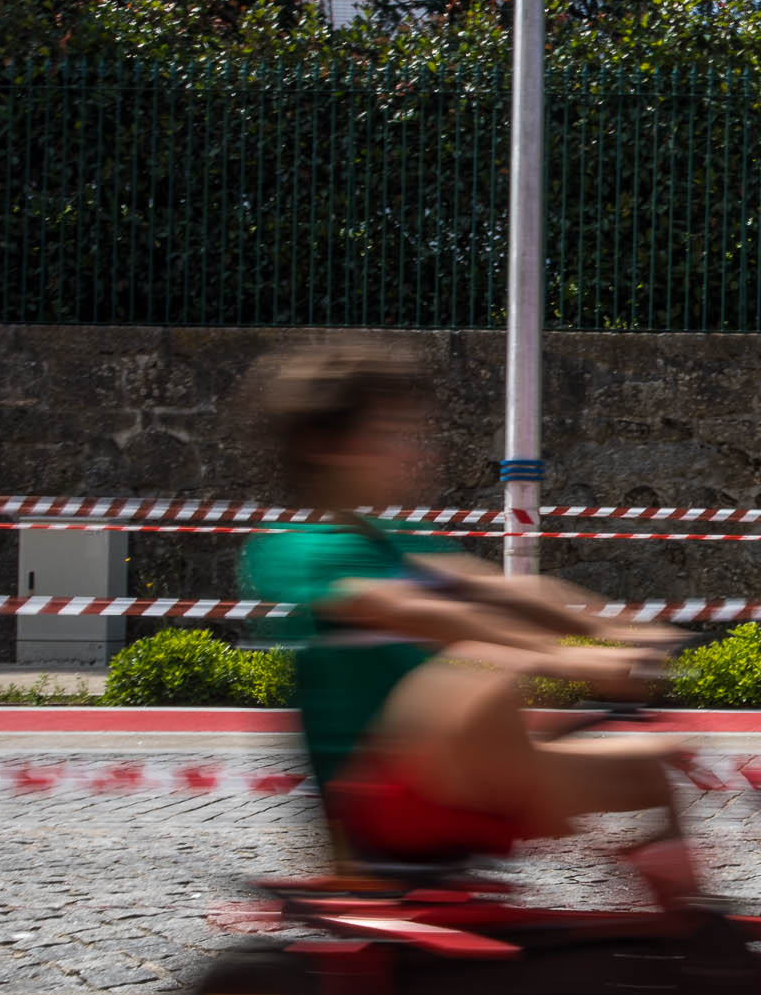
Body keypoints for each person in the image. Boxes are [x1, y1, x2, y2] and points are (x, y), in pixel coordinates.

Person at [241, 339, 699, 911]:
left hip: (456, 773)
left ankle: (684, 936)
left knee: (652, 769)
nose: (413, 452)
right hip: (384, 800)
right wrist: (568, 659)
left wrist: (622, 631)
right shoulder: (300, 551)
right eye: (390, 436)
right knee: (479, 669)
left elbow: (500, 589)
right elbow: (422, 613)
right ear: (326, 448)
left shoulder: (397, 544)